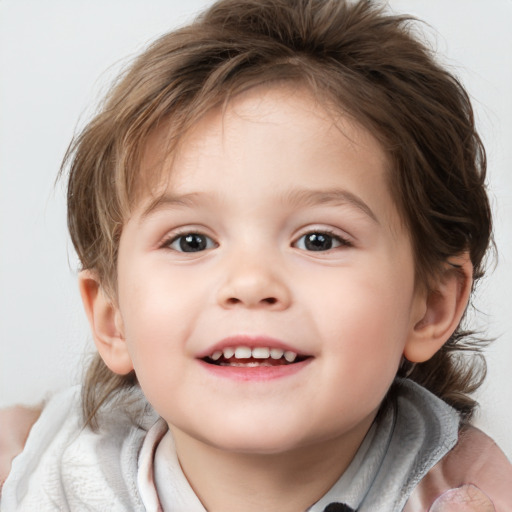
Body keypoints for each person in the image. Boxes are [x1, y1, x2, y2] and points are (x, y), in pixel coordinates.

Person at [1, 0, 511, 510]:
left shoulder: (468, 495)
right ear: (112, 320)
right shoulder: (38, 476)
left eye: (319, 239)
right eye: (191, 241)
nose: (249, 283)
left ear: (432, 305)